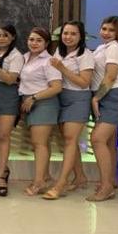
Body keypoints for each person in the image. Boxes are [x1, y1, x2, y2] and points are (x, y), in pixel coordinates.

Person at [43, 21, 93, 200]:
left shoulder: (85, 54)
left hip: (78, 99)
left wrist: (62, 68)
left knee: (70, 140)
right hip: (61, 97)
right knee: (69, 141)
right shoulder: (59, 51)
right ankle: (80, 177)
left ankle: (61, 184)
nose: (68, 37)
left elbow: (84, 82)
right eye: (65, 33)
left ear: (80, 36)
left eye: (73, 34)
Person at [86, 16, 118, 202]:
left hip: (113, 94)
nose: (106, 33)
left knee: (97, 139)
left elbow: (111, 76)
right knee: (108, 142)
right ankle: (110, 181)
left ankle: (106, 187)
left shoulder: (115, 48)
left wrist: (97, 97)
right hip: (104, 94)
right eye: (104, 28)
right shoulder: (102, 48)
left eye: (111, 30)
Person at [18, 27, 63, 196]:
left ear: (46, 43)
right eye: (31, 39)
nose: (34, 43)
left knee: (39, 144)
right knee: (41, 144)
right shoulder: (24, 57)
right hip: (29, 103)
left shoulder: (49, 61)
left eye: (39, 40)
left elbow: (56, 87)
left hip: (44, 103)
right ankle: (45, 177)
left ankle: (38, 182)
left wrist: (34, 97)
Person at [0, 24, 24, 197]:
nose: (1, 38)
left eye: (5, 35)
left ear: (13, 37)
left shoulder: (16, 56)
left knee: (3, 135)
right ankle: (4, 168)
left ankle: (1, 177)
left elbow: (10, 79)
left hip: (8, 94)